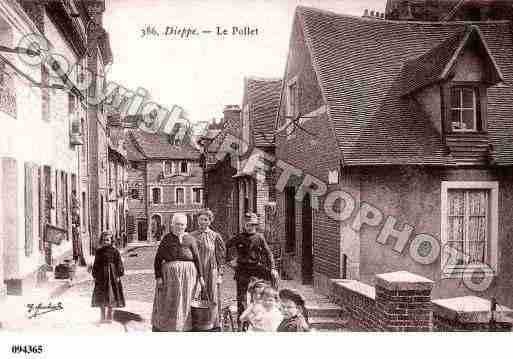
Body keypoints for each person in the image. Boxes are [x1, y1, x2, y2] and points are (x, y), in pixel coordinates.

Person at [151, 213, 206, 332]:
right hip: (170, 276)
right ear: (172, 225)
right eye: (177, 224)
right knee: (170, 300)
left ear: (185, 226)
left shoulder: (190, 239)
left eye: (182, 225)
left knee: (186, 299)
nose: (179, 227)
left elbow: (197, 259)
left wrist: (201, 277)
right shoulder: (167, 238)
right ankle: (169, 325)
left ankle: (186, 325)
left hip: (188, 276)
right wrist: (159, 277)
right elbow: (158, 259)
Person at [225, 212, 279, 329]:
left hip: (255, 267)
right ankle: (242, 325)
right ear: (244, 225)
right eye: (247, 225)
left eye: (252, 225)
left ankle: (271, 312)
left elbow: (268, 253)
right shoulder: (239, 237)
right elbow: (226, 246)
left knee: (273, 278)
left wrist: (273, 268)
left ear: (255, 226)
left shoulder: (259, 237)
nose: (249, 227)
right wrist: (229, 261)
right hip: (242, 268)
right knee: (242, 297)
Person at [190, 209, 226, 331]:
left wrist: (220, 274)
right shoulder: (191, 236)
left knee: (212, 295)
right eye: (200, 219)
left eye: (206, 219)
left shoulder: (215, 236)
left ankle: (213, 323)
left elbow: (220, 257)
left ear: (210, 221)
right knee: (194, 294)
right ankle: (195, 322)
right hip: (195, 270)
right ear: (197, 220)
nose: (202, 222)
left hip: (211, 270)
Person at [91, 232, 125, 323]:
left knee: (111, 295)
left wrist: (119, 274)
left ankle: (109, 315)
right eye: (104, 240)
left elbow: (119, 263)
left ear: (111, 241)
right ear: (101, 241)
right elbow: (96, 264)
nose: (105, 242)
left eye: (107, 240)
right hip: (101, 276)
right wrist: (94, 275)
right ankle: (102, 316)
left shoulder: (115, 251)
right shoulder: (99, 252)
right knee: (101, 296)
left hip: (112, 276)